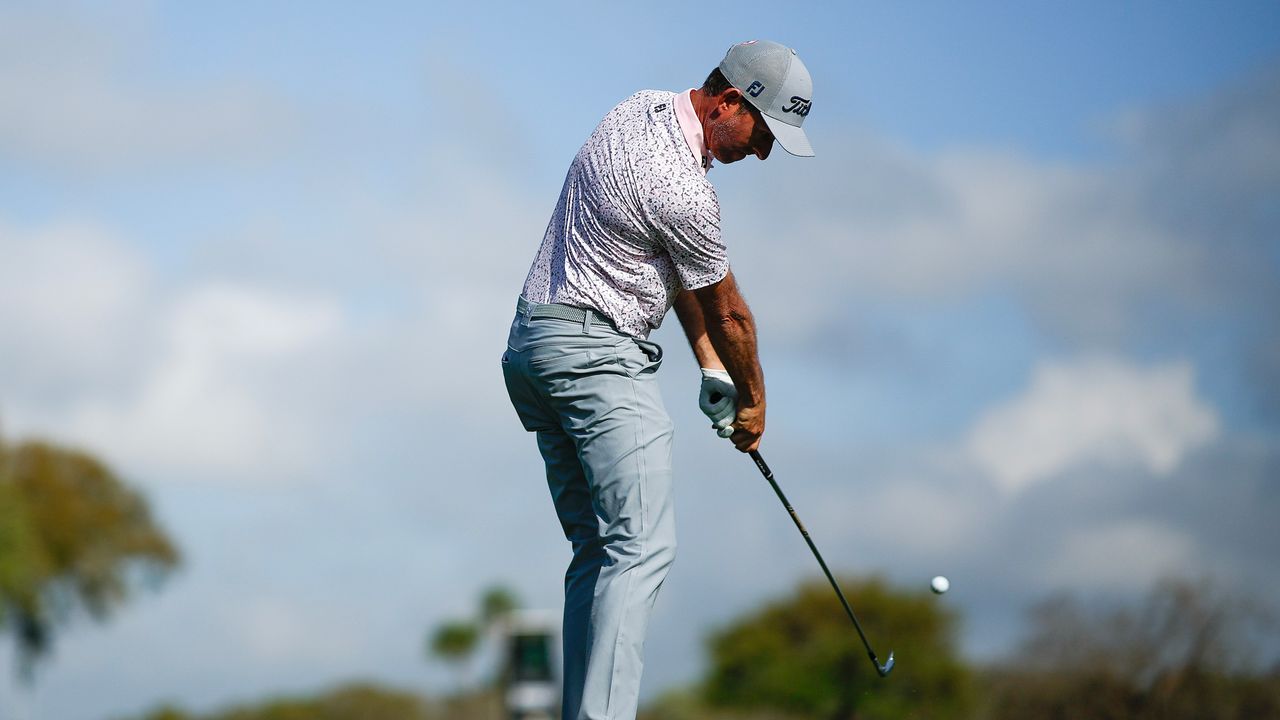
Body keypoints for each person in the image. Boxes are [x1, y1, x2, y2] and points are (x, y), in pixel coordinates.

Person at [501, 40, 814, 720]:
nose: (761, 154)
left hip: (534, 348)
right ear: (729, 101)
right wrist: (754, 403)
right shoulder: (686, 192)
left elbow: (669, 275)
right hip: (594, 355)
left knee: (600, 548)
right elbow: (730, 313)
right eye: (762, 134)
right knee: (642, 547)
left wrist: (706, 366)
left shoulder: (635, 109)